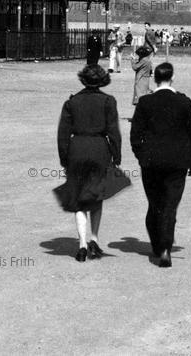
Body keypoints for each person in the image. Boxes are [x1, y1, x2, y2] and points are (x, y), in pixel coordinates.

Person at [130, 62, 191, 268]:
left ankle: (157, 243)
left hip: (151, 161)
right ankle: (165, 248)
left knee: (155, 205)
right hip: (177, 162)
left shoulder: (145, 103)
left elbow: (135, 135)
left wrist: (141, 156)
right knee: (170, 206)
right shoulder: (183, 102)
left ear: (155, 79)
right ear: (172, 78)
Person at [55, 65, 125, 262]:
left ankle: (82, 244)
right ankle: (94, 238)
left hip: (77, 149)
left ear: (83, 80)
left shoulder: (72, 102)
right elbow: (114, 132)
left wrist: (64, 158)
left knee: (78, 199)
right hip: (100, 149)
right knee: (96, 195)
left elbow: (62, 134)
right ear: (102, 80)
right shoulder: (108, 101)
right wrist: (117, 156)